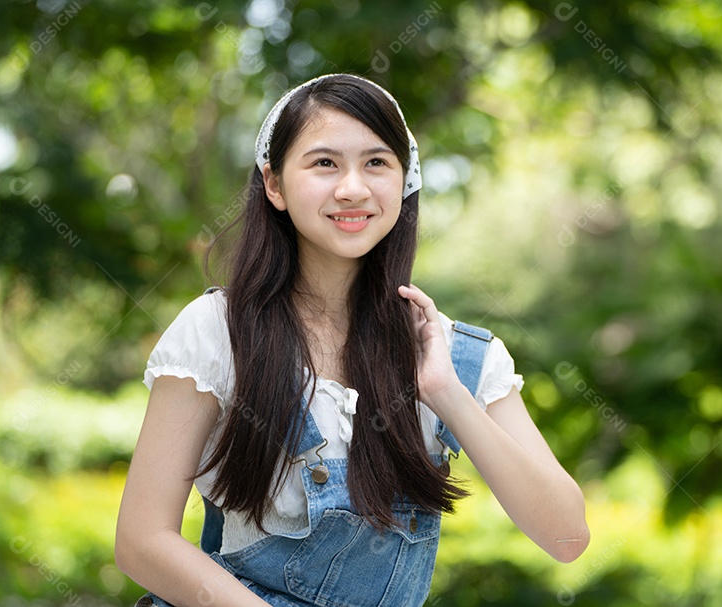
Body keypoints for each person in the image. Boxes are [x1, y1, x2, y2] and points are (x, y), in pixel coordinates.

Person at [115, 73, 589, 607]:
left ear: (403, 180)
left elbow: (567, 537)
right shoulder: (218, 332)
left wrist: (447, 394)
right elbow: (142, 541)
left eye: (376, 163)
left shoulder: (461, 355)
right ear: (274, 184)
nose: (353, 188)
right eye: (324, 163)